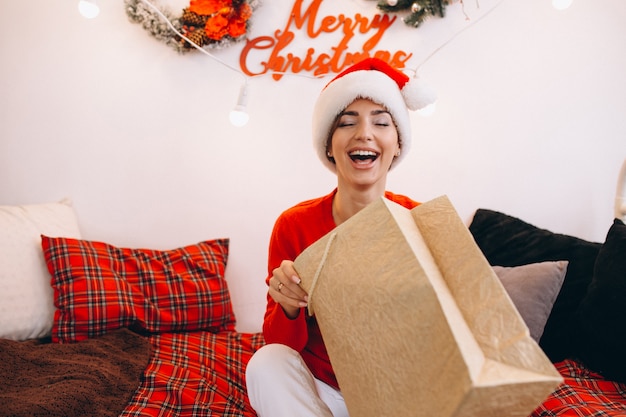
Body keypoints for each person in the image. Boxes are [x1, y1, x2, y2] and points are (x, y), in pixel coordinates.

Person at [245, 57, 427, 417]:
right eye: (347, 122)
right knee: (265, 363)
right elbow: (280, 342)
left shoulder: (420, 221)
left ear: (397, 143)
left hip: (398, 391)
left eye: (380, 122)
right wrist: (287, 305)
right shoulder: (294, 225)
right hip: (321, 388)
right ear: (329, 146)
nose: (364, 133)